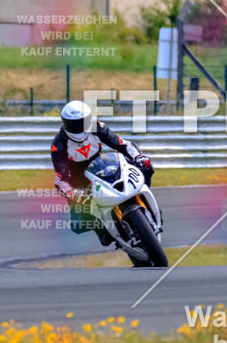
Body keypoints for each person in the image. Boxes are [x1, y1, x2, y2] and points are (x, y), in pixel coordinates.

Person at [51, 100, 154, 246]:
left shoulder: (98, 128)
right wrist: (73, 193)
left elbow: (123, 145)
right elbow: (60, 179)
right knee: (78, 224)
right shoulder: (59, 145)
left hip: (103, 167)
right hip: (79, 180)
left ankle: (146, 202)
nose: (78, 128)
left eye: (81, 123)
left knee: (146, 167)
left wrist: (139, 156)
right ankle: (103, 231)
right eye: (72, 124)